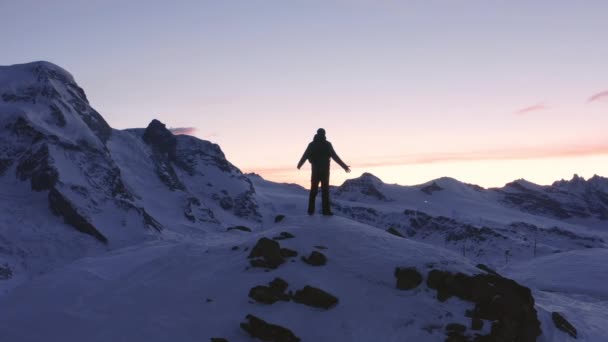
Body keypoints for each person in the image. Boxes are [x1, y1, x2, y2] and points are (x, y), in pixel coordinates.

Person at [297, 128, 351, 215]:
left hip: (317, 171)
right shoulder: (325, 144)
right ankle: (324, 211)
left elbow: (306, 155)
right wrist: (344, 166)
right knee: (323, 191)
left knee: (315, 191)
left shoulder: (313, 144)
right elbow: (334, 156)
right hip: (323, 171)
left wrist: (300, 164)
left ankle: (312, 211)